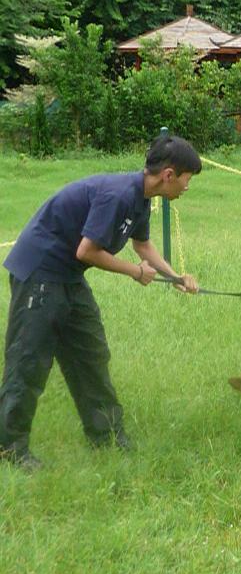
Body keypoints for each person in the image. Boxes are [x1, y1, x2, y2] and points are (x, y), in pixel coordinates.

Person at [0, 134, 201, 471]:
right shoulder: (118, 195)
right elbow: (88, 251)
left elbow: (143, 246)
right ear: (169, 174)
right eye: (186, 179)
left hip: (68, 276)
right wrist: (135, 273)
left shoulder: (141, 198)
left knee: (90, 353)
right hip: (40, 270)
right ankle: (9, 448)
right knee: (29, 359)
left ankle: (107, 437)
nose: (187, 187)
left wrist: (176, 277)